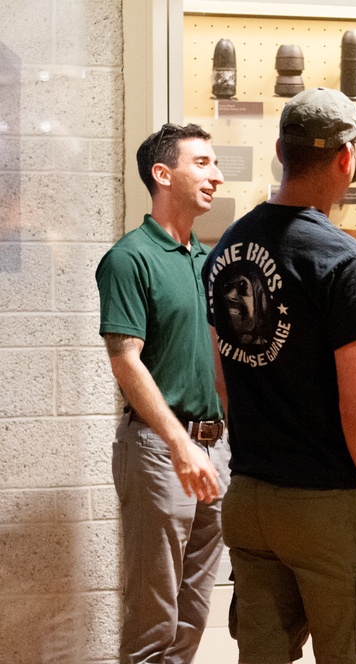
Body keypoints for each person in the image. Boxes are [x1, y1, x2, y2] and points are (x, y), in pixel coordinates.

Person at [203, 87, 356, 664]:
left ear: (280, 150)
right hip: (331, 505)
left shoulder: (229, 246)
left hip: (251, 496)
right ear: (347, 159)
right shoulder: (344, 261)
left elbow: (224, 377)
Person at [95, 123, 230, 663]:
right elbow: (125, 360)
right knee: (154, 617)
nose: (216, 175)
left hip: (214, 449)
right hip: (159, 450)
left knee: (193, 614)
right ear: (162, 173)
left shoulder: (206, 260)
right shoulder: (129, 258)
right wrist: (181, 446)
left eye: (215, 163)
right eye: (202, 162)